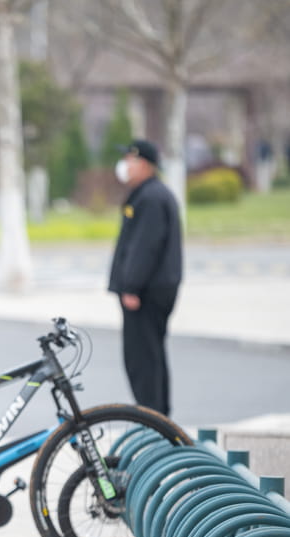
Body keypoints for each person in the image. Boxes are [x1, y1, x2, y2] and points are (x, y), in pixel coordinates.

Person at [108, 139, 182, 417]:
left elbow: (145, 246)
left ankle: (154, 421)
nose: (125, 166)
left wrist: (131, 286)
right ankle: (159, 419)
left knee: (143, 360)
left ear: (144, 165)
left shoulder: (151, 197)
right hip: (152, 290)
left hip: (145, 293)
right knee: (151, 357)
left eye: (130, 160)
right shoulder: (149, 194)